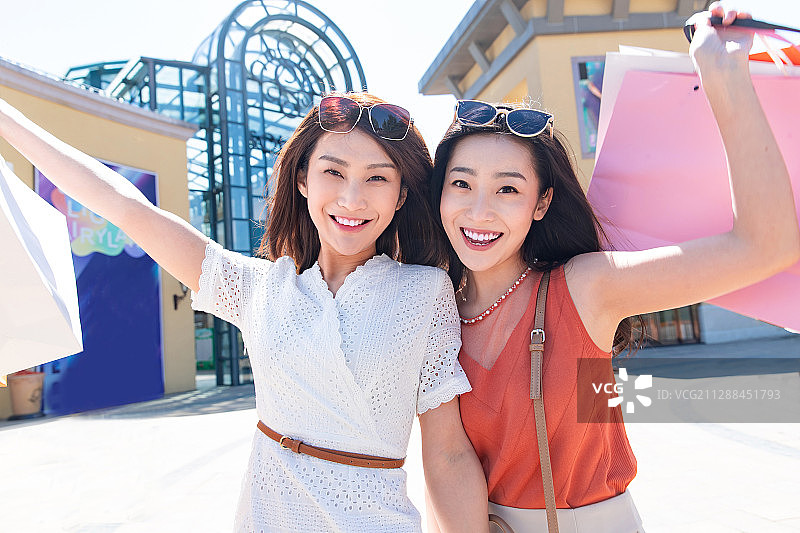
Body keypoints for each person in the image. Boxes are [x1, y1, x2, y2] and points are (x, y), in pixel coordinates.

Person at [0, 91, 489, 532]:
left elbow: (447, 453)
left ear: (401, 195)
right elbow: (125, 206)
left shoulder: (426, 292)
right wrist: (6, 118)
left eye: (377, 178)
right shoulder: (258, 288)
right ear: (302, 179)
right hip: (265, 517)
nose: (351, 198)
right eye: (333, 172)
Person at [426, 4, 800, 533]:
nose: (479, 210)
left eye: (508, 189)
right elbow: (444, 461)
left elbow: (764, 245)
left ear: (541, 203)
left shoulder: (586, 287)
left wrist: (724, 75)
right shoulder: (430, 309)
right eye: (461, 184)